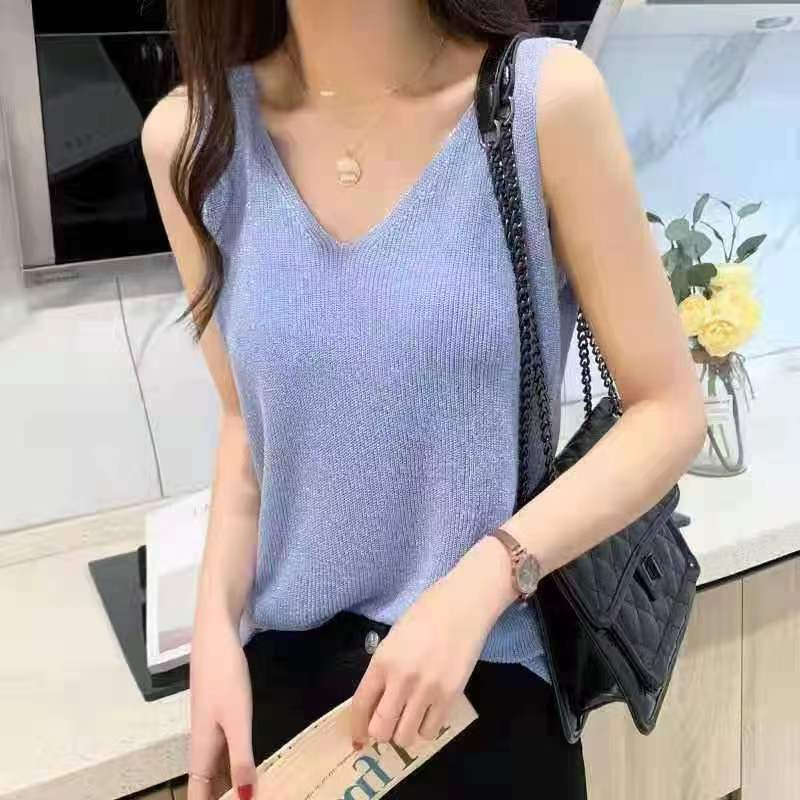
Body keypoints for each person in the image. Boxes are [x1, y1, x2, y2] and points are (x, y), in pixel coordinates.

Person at [143, 1, 706, 798]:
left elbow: (668, 411)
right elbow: (246, 423)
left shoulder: (540, 103)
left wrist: (485, 580)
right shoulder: (193, 140)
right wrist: (213, 633)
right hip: (291, 716)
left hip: (486, 687)